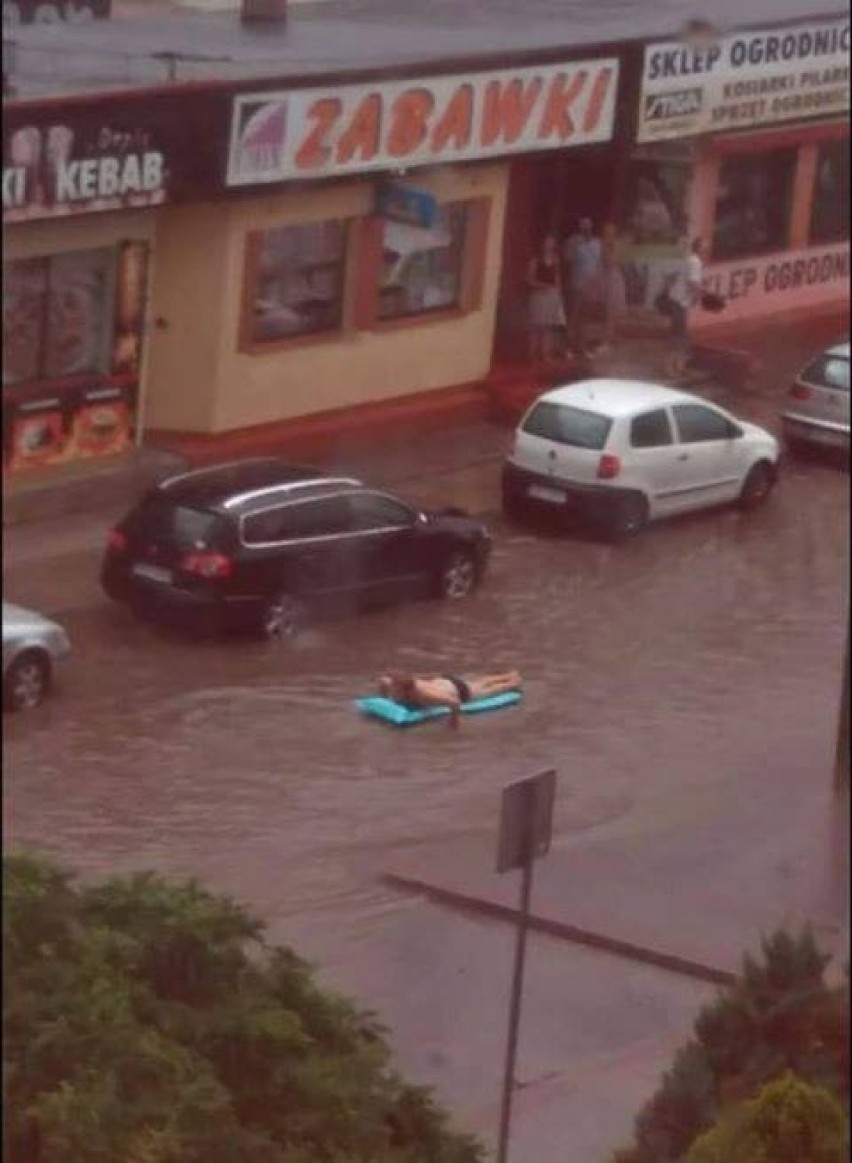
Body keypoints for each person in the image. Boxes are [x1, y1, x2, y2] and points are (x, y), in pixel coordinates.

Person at [378, 670, 523, 727]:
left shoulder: (425, 695)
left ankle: (512, 683)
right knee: (478, 683)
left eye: (395, 691)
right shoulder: (395, 684)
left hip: (458, 691)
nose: (393, 692)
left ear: (405, 690)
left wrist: (453, 722)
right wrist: (383, 697)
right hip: (445, 681)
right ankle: (507, 674)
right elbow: (383, 680)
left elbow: (454, 703)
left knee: (484, 690)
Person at [664, 237, 706, 378]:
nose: (706, 250)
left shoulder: (690, 259)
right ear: (699, 248)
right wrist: (699, 296)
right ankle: (672, 367)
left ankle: (677, 366)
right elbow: (693, 283)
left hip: (677, 300)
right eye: (704, 248)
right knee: (680, 337)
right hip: (680, 301)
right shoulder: (695, 262)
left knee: (679, 335)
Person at [563, 217, 603, 356]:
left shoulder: (597, 243)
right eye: (583, 225)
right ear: (579, 226)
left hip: (591, 285)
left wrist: (597, 282)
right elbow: (567, 259)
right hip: (576, 284)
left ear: (592, 226)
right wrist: (575, 246)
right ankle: (568, 348)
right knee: (573, 316)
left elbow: (599, 263)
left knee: (585, 319)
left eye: (588, 225)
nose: (586, 227)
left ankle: (582, 347)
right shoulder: (572, 241)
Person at [525, 234, 566, 364]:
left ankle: (545, 354)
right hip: (538, 294)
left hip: (551, 295)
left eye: (551, 243)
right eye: (546, 243)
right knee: (536, 325)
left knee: (548, 326)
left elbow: (557, 278)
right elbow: (529, 279)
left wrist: (558, 295)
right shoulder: (536, 260)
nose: (548, 246)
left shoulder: (555, 259)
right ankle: (532, 354)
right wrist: (542, 285)